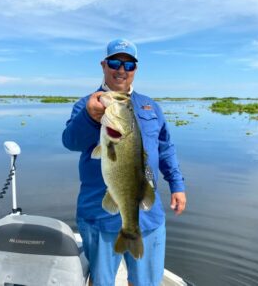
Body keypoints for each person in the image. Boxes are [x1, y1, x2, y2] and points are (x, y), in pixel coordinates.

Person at [62, 38, 186, 286]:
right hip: (99, 214)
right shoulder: (86, 105)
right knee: (101, 281)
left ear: (135, 70)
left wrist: (177, 184)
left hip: (147, 216)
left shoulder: (150, 107)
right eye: (115, 62)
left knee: (146, 282)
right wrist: (89, 116)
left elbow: (165, 147)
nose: (121, 70)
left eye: (129, 65)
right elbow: (70, 141)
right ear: (104, 65)